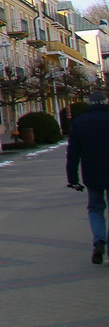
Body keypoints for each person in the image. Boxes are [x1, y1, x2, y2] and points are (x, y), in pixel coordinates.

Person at [66, 89, 109, 264]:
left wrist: (73, 179)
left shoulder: (79, 122)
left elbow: (73, 153)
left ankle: (99, 240)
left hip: (92, 174)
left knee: (95, 209)